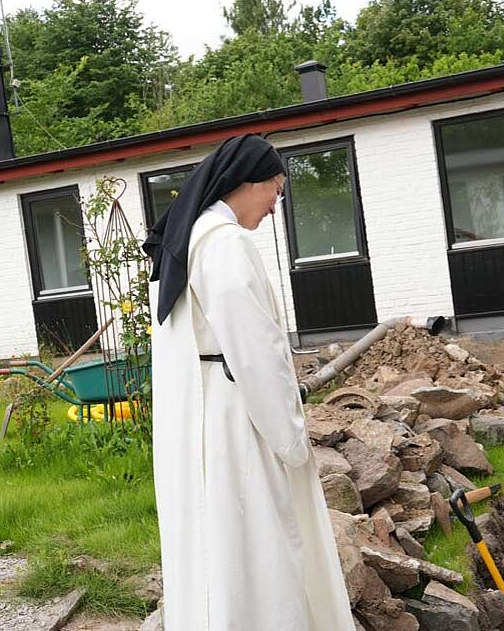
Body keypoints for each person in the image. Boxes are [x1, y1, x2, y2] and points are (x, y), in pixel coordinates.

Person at [143, 134, 354, 630]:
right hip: (235, 418)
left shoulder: (192, 239)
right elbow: (258, 353)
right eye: (276, 190)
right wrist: (292, 438)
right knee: (254, 541)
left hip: (207, 410)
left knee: (222, 540)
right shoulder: (225, 245)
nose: (276, 207)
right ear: (247, 183)